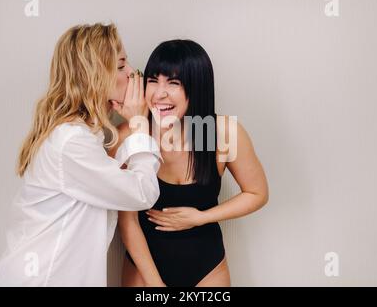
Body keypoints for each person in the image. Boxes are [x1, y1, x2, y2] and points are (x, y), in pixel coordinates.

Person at [0, 23, 162, 286]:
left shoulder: (81, 136)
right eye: (122, 65)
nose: (134, 74)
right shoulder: (71, 142)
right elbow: (142, 193)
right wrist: (138, 124)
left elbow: (109, 181)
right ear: (95, 75)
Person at [111, 40, 269, 287]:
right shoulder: (131, 134)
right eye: (153, 80)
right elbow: (126, 223)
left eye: (173, 83)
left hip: (208, 270)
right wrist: (157, 287)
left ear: (197, 87)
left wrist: (201, 217)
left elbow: (257, 193)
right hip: (144, 271)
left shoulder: (223, 132)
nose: (159, 93)